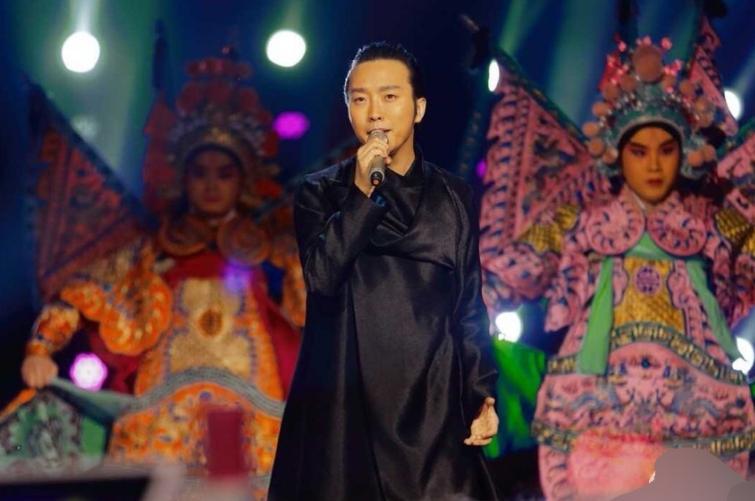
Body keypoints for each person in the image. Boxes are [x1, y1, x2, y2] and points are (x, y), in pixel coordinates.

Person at [3, 49, 303, 498]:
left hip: (248, 408)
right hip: (166, 408)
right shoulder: (151, 252)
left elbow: (320, 308)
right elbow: (81, 293)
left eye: (224, 173)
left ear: (244, 181)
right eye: (200, 173)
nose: (211, 184)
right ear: (182, 179)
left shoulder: (272, 252)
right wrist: (40, 348)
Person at [480, 39, 755, 500]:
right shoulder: (584, 219)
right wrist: (461, 295)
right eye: (639, 151)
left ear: (684, 152)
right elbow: (515, 269)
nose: (653, 164)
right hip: (598, 400)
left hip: (693, 400)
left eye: (665, 150)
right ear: (617, 153)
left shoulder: (710, 220)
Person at [269, 41, 499, 500]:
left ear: (419, 108)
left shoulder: (452, 197)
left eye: (389, 96)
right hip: (347, 407)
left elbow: (468, 306)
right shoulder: (320, 193)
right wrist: (360, 195)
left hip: (433, 405)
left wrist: (482, 394)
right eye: (360, 99)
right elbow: (322, 278)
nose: (374, 112)